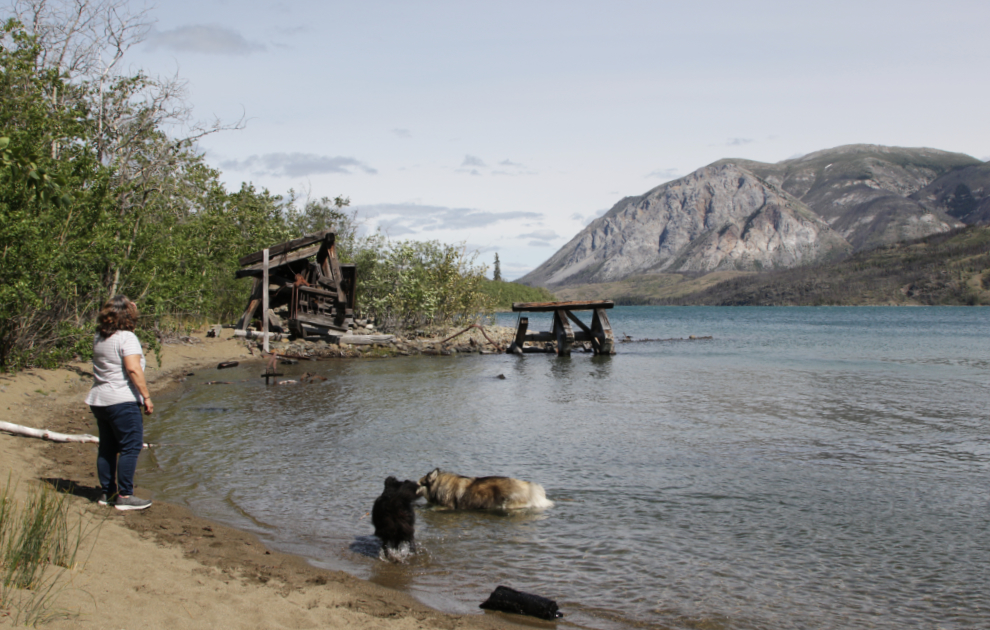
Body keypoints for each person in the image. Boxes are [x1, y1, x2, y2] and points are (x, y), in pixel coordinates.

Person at [85, 295, 153, 511]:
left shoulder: (99, 336)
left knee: (107, 447)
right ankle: (125, 496)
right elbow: (133, 369)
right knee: (131, 446)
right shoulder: (127, 338)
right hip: (121, 400)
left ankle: (108, 492)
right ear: (127, 315)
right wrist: (146, 397)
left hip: (99, 399)